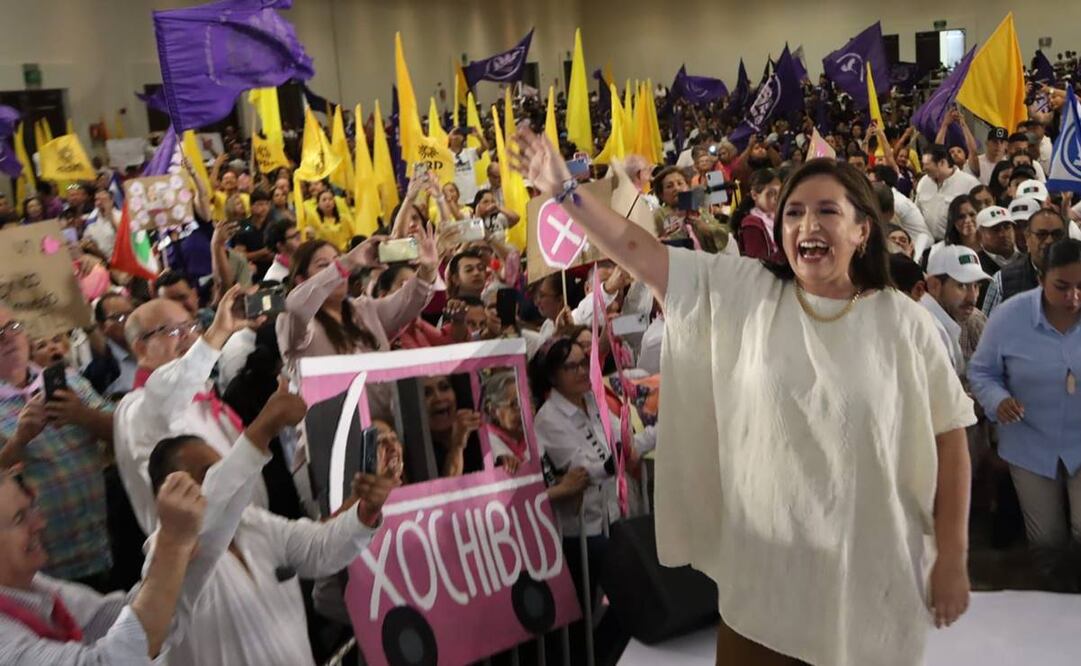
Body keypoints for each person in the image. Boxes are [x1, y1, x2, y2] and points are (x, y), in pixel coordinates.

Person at [511, 132, 974, 663]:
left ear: (862, 229)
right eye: (794, 212)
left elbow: (950, 437)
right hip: (764, 582)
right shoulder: (744, 293)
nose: (807, 224)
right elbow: (640, 252)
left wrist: (952, 554)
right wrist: (564, 190)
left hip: (869, 582)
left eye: (827, 211)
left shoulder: (905, 324)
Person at [145, 381, 396, 666]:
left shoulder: (253, 522)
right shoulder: (165, 560)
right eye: (207, 475)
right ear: (166, 496)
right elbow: (205, 519)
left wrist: (366, 511)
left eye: (222, 468)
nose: (227, 482)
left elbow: (320, 548)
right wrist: (264, 426)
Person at [113, 286, 265, 535]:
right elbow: (168, 391)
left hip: (253, 534)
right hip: (199, 547)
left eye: (192, 326)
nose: (188, 336)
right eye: (172, 330)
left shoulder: (203, 392)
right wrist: (218, 332)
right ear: (140, 348)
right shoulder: (135, 407)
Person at [968, 239, 1081, 550]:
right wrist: (998, 400)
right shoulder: (1009, 316)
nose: (1073, 297)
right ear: (1041, 279)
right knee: (1045, 538)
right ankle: (1049, 580)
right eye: (1062, 287)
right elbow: (982, 371)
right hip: (1030, 441)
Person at [0, 305, 115, 588]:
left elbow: (124, 432)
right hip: (42, 570)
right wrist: (19, 440)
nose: (8, 337)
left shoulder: (67, 379)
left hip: (102, 544)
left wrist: (83, 415)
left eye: (12, 327)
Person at [277, 232, 437, 368]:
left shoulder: (364, 308)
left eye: (337, 261)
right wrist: (347, 262)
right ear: (301, 280)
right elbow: (294, 306)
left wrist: (428, 269)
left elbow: (408, 301)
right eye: (324, 266)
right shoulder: (295, 323)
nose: (338, 272)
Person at [983, 209, 1069, 316]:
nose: (1049, 241)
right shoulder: (1001, 281)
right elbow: (987, 324)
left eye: (1057, 234)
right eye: (1041, 234)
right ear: (1027, 237)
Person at [922, 245, 993, 373]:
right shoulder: (924, 327)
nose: (972, 298)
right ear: (934, 286)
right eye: (962, 286)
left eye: (976, 286)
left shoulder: (962, 320)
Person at [917, 144, 981, 241]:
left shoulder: (970, 184)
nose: (923, 168)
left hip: (958, 243)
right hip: (929, 243)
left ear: (942, 162)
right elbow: (918, 210)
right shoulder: (924, 182)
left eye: (927, 164)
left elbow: (979, 218)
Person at [423, 375, 482, 477]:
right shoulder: (416, 454)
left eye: (444, 388)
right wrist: (457, 446)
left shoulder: (479, 433)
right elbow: (448, 486)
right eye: (426, 393)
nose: (438, 398)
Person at [82, 293, 138, 398]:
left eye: (131, 314)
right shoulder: (102, 366)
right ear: (102, 326)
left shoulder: (153, 346)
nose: (128, 321)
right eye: (119, 317)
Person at [872, 164, 933, 258]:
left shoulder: (896, 202)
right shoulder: (887, 197)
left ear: (882, 183)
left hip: (918, 248)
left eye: (872, 182)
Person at [735, 169, 782, 261]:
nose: (777, 198)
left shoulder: (782, 216)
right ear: (754, 195)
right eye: (770, 194)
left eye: (780, 193)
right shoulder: (751, 224)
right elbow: (758, 262)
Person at [232, 188, 274, 280]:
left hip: (272, 271)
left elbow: (275, 254)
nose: (264, 208)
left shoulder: (273, 224)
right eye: (260, 204)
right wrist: (263, 252)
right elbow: (240, 255)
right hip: (250, 272)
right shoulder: (243, 225)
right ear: (251, 206)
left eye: (267, 204)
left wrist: (251, 256)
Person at [974, 205, 1022, 279]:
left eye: (1007, 227)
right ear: (979, 236)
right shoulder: (975, 266)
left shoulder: (1028, 256)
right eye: (995, 230)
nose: (1003, 234)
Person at [449, 126, 490, 206]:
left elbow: (485, 147)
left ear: (463, 138)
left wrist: (478, 135)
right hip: (456, 200)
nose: (457, 136)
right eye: (455, 134)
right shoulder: (445, 154)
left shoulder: (470, 152)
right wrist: (450, 135)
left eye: (460, 134)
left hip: (472, 197)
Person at [81, 188, 121, 260]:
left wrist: (110, 216)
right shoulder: (92, 219)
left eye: (103, 199)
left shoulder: (120, 216)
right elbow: (86, 239)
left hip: (120, 259)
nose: (99, 202)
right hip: (102, 260)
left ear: (111, 200)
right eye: (97, 200)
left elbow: (123, 237)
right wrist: (87, 244)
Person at [262, 219, 303, 284]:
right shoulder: (275, 278)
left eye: (298, 233)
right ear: (281, 246)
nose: (299, 238)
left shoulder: (303, 261)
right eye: (293, 236)